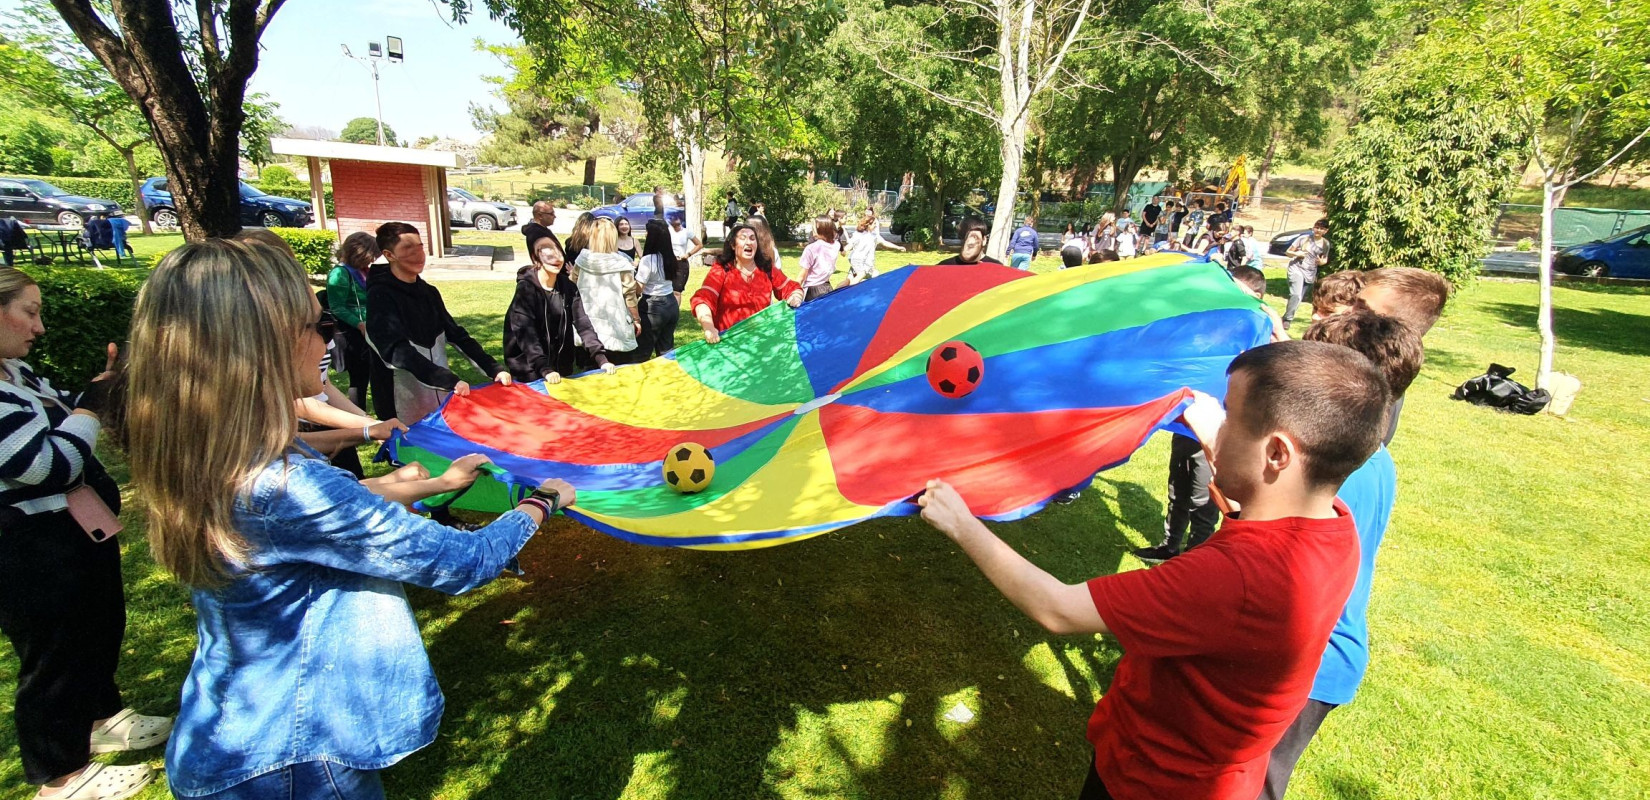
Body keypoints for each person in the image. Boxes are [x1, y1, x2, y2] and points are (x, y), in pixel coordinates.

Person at [117, 238, 576, 800]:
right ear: (259, 345)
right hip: (295, 759)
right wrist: (543, 501)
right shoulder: (285, 484)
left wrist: (427, 482)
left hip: (233, 734)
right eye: (317, 325)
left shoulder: (211, 457)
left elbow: (332, 510)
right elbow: (463, 562)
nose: (328, 340)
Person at [917, 339, 1389, 800]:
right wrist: (1217, 445)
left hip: (1153, 780)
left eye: (1231, 417)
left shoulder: (1229, 578)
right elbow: (1256, 517)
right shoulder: (1336, 526)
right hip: (1224, 775)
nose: (1218, 427)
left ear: (1277, 454)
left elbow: (1056, 608)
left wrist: (962, 524)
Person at [0, 270, 172, 800]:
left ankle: (102, 720)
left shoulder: (16, 374)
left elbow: (64, 429)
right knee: (53, 655)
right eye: (29, 311)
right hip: (27, 547)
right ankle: (61, 776)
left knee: (92, 628)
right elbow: (48, 464)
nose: (40, 326)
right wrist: (88, 406)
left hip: (71, 533)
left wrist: (98, 394)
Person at [1260, 310, 1423, 800]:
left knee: (1253, 783)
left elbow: (1276, 552)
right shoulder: (1371, 455)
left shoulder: (1334, 472)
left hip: (1307, 658)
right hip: (1321, 654)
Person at [366, 222, 513, 425]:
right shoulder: (380, 295)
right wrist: (446, 379)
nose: (419, 255)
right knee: (409, 454)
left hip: (440, 400)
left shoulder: (428, 292)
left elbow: (456, 334)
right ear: (389, 255)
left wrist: (493, 368)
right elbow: (397, 351)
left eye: (420, 246)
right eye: (408, 249)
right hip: (401, 400)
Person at [1354, 267, 1452, 444]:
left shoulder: (1364, 391)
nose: (1346, 312)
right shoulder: (1388, 373)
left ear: (1394, 326)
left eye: (1361, 307)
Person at [505, 234, 613, 383]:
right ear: (535, 258)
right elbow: (525, 333)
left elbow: (583, 324)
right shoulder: (526, 289)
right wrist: (544, 368)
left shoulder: (568, 287)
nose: (555, 258)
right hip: (529, 367)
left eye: (557, 252)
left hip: (560, 365)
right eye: (545, 252)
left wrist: (601, 359)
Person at [691, 222, 803, 343]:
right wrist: (709, 328)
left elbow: (792, 288)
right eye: (743, 238)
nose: (749, 242)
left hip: (762, 341)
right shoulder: (721, 269)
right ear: (733, 245)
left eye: (752, 238)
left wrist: (796, 296)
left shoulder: (766, 268)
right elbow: (704, 299)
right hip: (730, 344)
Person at [326, 231, 388, 416]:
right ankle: (358, 416)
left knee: (378, 374)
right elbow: (337, 307)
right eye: (370, 256)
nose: (371, 261)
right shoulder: (339, 274)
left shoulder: (364, 270)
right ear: (358, 253)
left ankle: (381, 414)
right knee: (359, 378)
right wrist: (359, 324)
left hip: (373, 331)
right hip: (354, 335)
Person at [574, 217, 643, 363]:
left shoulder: (582, 260)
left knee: (589, 370)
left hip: (587, 322)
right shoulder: (621, 263)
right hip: (615, 323)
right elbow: (630, 296)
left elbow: (572, 285)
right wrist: (636, 319)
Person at [635, 219, 681, 357]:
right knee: (666, 350)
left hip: (653, 307)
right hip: (671, 304)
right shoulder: (670, 257)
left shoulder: (648, 259)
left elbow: (639, 289)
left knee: (643, 351)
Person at [1282, 219, 1330, 329]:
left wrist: (1322, 262)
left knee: (1299, 298)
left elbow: (1325, 259)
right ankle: (1287, 320)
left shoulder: (1325, 244)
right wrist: (1296, 253)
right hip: (1296, 268)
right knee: (1296, 294)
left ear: (1326, 231)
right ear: (1313, 228)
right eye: (1316, 227)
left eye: (1321, 228)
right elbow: (1288, 252)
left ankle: (1286, 316)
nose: (1318, 230)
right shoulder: (1303, 239)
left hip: (1310, 272)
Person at [846, 210, 903, 285]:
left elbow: (884, 242)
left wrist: (898, 247)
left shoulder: (874, 236)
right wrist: (844, 249)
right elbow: (850, 245)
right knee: (865, 276)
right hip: (860, 262)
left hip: (862, 262)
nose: (876, 226)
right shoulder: (859, 235)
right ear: (868, 225)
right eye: (874, 224)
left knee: (850, 280)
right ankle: (848, 292)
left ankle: (843, 292)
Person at [798, 216, 840, 302]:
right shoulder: (836, 245)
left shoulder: (811, 248)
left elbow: (802, 277)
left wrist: (794, 292)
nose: (812, 228)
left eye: (814, 226)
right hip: (827, 287)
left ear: (821, 228)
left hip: (812, 291)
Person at [937, 218, 1004, 266]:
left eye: (974, 237)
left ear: (984, 240)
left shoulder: (997, 269)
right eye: (964, 237)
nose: (969, 243)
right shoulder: (944, 267)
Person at [668, 216, 703, 299]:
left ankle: (675, 311)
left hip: (681, 262)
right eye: (674, 225)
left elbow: (699, 245)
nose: (677, 227)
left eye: (678, 224)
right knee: (667, 290)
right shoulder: (668, 231)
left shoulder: (686, 232)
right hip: (669, 261)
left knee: (677, 291)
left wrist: (688, 254)